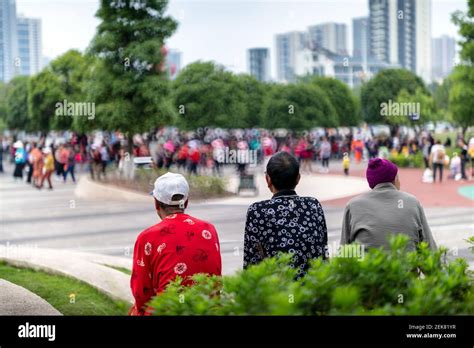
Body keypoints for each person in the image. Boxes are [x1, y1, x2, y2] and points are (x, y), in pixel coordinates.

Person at [130, 172, 222, 316]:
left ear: (156, 203)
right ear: (185, 202)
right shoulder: (209, 229)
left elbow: (141, 294)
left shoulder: (147, 237)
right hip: (207, 308)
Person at [243, 152, 328, 279]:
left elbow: (252, 263)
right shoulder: (313, 205)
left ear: (268, 179)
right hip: (312, 290)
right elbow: (323, 253)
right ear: (298, 178)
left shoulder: (257, 211)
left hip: (275, 291)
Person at [341, 158, 437, 251]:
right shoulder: (412, 202)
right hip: (406, 267)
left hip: (367, 267)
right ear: (394, 179)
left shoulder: (353, 206)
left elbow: (344, 251)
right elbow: (430, 249)